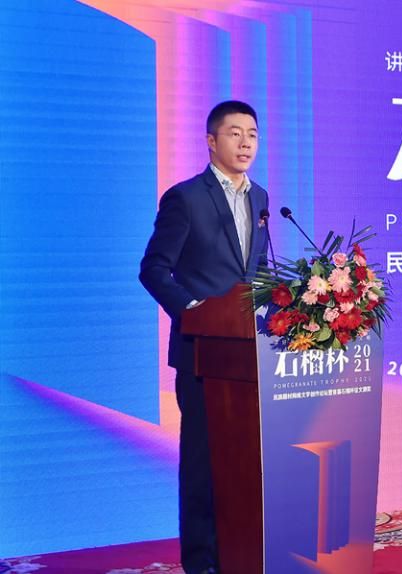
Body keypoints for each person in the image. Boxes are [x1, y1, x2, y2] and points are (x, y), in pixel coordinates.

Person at [140, 100, 269, 574]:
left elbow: (255, 272)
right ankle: (201, 563)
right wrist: (193, 311)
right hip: (201, 355)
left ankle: (241, 557)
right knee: (203, 464)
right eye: (235, 133)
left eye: (252, 134)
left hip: (247, 357)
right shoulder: (186, 198)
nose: (245, 143)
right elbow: (154, 269)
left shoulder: (260, 199)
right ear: (212, 141)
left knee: (243, 464)